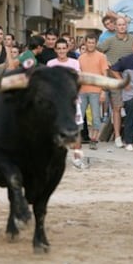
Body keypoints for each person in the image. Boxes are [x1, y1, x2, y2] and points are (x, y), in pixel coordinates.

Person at [46, 38, 85, 169]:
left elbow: (78, 81)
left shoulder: (74, 62)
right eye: (59, 48)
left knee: (77, 129)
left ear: (68, 49)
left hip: (72, 101)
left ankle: (77, 158)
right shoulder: (50, 63)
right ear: (55, 49)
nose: (62, 51)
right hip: (55, 103)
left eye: (64, 48)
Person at [98, 17, 133, 148]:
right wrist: (105, 62)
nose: (121, 27)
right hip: (114, 78)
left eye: (123, 24)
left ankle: (129, 136)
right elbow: (97, 50)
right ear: (116, 26)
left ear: (126, 26)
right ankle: (118, 136)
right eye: (119, 25)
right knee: (117, 108)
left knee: (131, 107)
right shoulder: (110, 40)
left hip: (130, 77)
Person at [111, 37, 133, 151]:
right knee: (130, 114)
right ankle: (129, 142)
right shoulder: (126, 59)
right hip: (131, 93)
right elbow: (113, 69)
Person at [78, 34, 109, 150]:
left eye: (93, 42)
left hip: (96, 91)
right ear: (85, 43)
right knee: (79, 116)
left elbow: (105, 75)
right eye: (89, 42)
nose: (90, 45)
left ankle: (94, 139)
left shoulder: (101, 56)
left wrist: (103, 91)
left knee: (96, 117)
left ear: (96, 44)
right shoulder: (81, 58)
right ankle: (77, 139)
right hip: (82, 91)